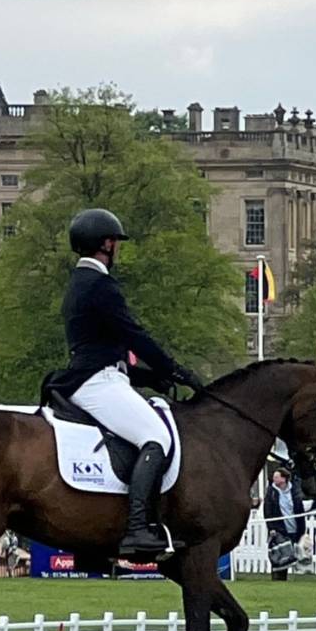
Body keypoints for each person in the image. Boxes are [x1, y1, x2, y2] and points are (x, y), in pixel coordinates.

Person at [43, 208, 203, 558]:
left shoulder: (80, 283)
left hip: (98, 375)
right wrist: (176, 370)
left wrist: (149, 378)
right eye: (116, 243)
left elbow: (103, 348)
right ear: (107, 243)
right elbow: (134, 336)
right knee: (156, 437)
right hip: (97, 382)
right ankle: (137, 529)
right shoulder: (99, 284)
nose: (118, 250)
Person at [261, 469, 307, 581]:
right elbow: (267, 511)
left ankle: (287, 578)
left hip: (293, 528)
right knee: (279, 554)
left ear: (284, 479)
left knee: (291, 555)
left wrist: (302, 528)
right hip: (279, 529)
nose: (274, 479)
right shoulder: (271, 492)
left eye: (277, 477)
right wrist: (271, 528)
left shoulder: (294, 492)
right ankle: (277, 578)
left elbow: (300, 510)